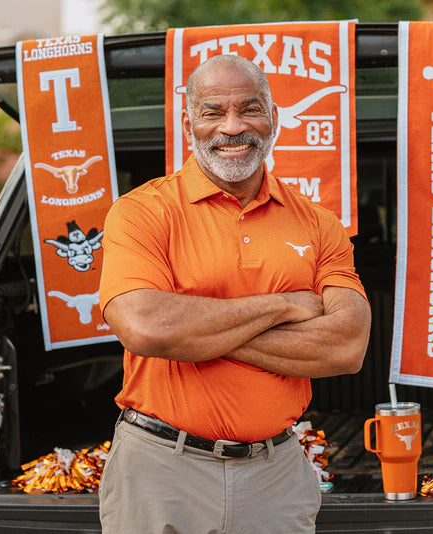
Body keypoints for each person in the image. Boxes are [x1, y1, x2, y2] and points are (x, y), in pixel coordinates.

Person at [98, 54, 371, 534]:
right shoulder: (142, 212)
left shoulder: (318, 222)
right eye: (212, 112)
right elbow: (144, 327)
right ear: (188, 123)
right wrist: (283, 305)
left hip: (276, 473)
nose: (232, 126)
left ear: (273, 119)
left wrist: (194, 334)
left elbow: (346, 346)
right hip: (161, 470)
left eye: (250, 109)